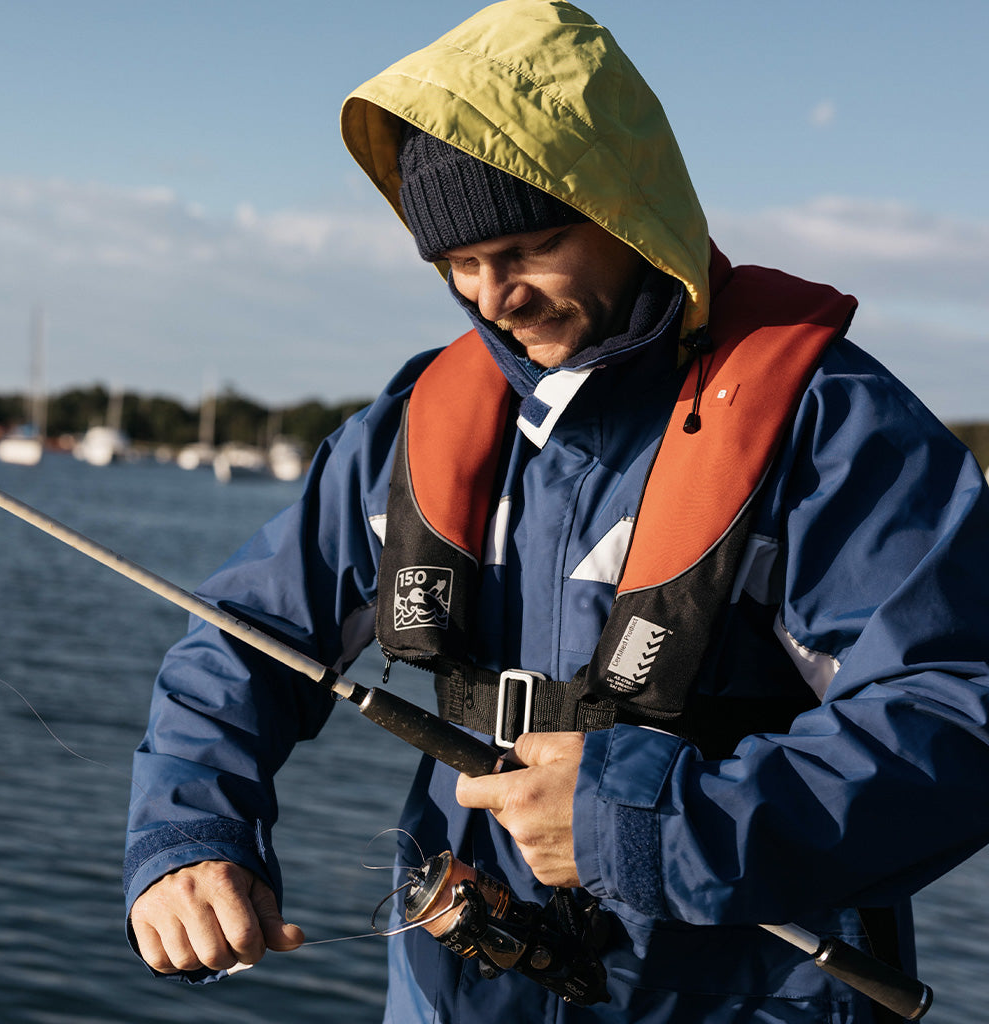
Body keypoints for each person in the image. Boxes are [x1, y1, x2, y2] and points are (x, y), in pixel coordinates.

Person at [124, 2, 989, 1022]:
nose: (496, 298)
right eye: (459, 263)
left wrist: (655, 823)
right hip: (455, 993)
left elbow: (951, 707)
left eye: (533, 244)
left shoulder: (833, 430)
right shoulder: (409, 429)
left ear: (629, 215)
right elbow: (243, 640)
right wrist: (189, 838)